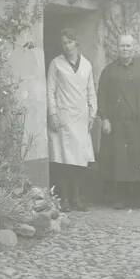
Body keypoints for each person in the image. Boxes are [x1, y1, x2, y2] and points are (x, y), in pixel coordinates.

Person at [97, 33, 140, 208]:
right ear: (117, 48)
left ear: (133, 48)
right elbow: (101, 96)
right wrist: (104, 118)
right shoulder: (109, 71)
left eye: (128, 46)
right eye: (122, 46)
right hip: (118, 124)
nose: (125, 49)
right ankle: (120, 198)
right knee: (120, 161)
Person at [47, 29, 97, 211]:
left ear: (76, 43)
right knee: (64, 161)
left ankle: (77, 198)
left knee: (79, 161)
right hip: (63, 117)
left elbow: (91, 91)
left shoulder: (87, 65)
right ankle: (65, 199)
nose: (66, 46)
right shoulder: (56, 64)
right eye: (64, 43)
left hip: (81, 118)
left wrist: (92, 114)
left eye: (69, 42)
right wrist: (52, 114)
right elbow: (50, 91)